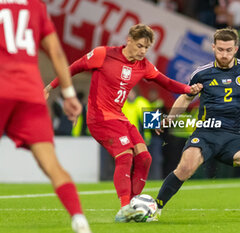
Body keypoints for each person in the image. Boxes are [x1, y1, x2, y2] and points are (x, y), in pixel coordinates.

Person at [44, 24, 203, 222]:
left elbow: (166, 82)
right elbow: (73, 68)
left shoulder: (143, 65)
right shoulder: (103, 54)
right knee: (125, 157)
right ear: (129, 40)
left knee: (145, 158)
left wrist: (188, 90)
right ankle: (124, 208)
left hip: (119, 118)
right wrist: (50, 86)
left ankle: (135, 205)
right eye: (139, 46)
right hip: (100, 118)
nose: (143, 51)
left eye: (146, 47)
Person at [150, 28, 240, 221]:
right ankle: (155, 208)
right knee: (185, 168)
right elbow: (185, 98)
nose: (224, 54)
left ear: (236, 49)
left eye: (229, 50)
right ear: (213, 47)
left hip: (233, 138)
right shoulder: (202, 73)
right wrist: (169, 119)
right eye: (220, 50)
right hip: (206, 134)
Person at [0, 1, 91, 233]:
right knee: (52, 165)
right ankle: (79, 220)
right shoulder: (35, 5)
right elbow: (56, 52)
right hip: (30, 92)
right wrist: (69, 94)